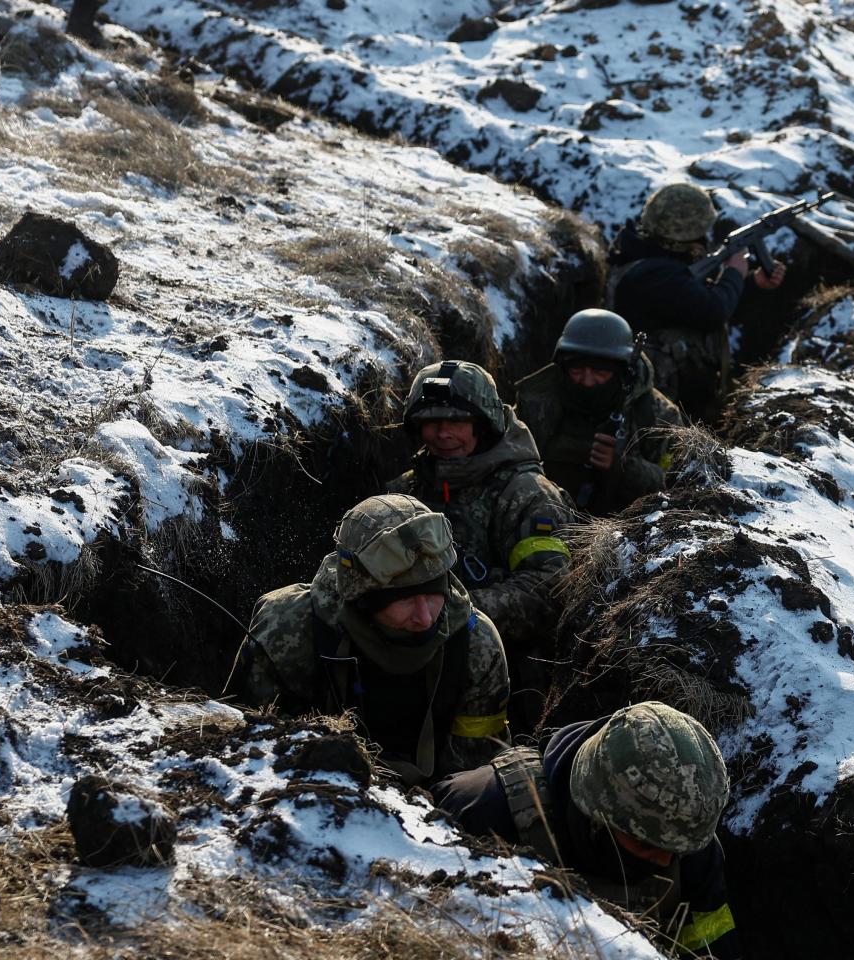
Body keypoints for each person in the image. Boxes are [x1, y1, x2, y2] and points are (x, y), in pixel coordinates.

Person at [430, 702, 740, 958]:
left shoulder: (683, 838)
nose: (664, 862)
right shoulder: (479, 810)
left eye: (677, 851)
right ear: (595, 814)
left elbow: (711, 948)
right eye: (645, 846)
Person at [240, 495, 508, 784]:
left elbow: (475, 770)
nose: (425, 618)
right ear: (363, 598)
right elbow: (247, 754)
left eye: (433, 595)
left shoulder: (475, 643)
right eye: (405, 600)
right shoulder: (287, 630)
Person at [387, 360, 571, 712]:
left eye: (456, 421)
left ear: (483, 424)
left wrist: (456, 611)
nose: (442, 433)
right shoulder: (404, 492)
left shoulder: (526, 494)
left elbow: (550, 589)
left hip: (512, 672)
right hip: (411, 658)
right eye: (430, 422)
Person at [607, 183, 786, 422]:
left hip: (672, 397)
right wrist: (734, 272)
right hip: (656, 410)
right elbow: (712, 310)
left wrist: (752, 282)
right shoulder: (655, 276)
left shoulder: (649, 259)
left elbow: (695, 301)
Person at [514, 309, 685, 517]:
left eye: (600, 373)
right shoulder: (537, 400)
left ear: (622, 372)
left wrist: (624, 467)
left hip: (625, 531)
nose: (587, 381)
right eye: (577, 371)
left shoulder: (658, 415)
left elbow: (678, 484)